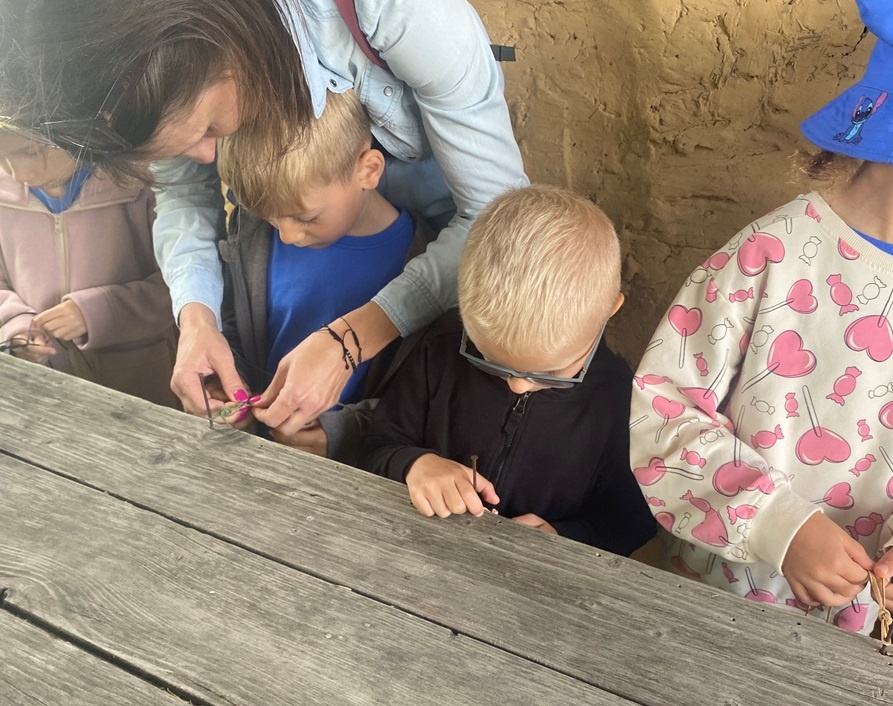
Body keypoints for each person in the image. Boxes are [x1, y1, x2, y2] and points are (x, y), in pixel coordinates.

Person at [630, 0, 893, 634]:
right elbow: (665, 409)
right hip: (706, 607)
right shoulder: (772, 254)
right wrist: (776, 525)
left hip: (850, 635)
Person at [0, 0, 527, 435]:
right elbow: (184, 195)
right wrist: (197, 320)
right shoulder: (144, 81)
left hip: (445, 283)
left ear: (211, 42)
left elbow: (496, 223)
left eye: (209, 128)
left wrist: (352, 341)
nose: (208, 158)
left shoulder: (399, 12)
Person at [361, 186, 657, 557]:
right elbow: (376, 445)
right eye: (489, 361)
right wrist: (416, 465)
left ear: (608, 310)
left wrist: (566, 536)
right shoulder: (438, 352)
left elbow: (633, 518)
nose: (518, 386)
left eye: (551, 372)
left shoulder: (617, 399)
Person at [215, 87, 429, 461]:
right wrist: (226, 381)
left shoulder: (422, 265)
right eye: (268, 216)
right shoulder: (255, 238)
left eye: (306, 217)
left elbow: (423, 400)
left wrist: (344, 432)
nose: (287, 235)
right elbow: (234, 323)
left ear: (368, 171)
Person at [0, 129, 178, 407]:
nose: (17, 173)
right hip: (50, 391)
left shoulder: (142, 186)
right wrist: (16, 326)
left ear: (78, 133)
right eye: (1, 157)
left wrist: (96, 313)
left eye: (30, 152)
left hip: (144, 382)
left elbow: (177, 287)